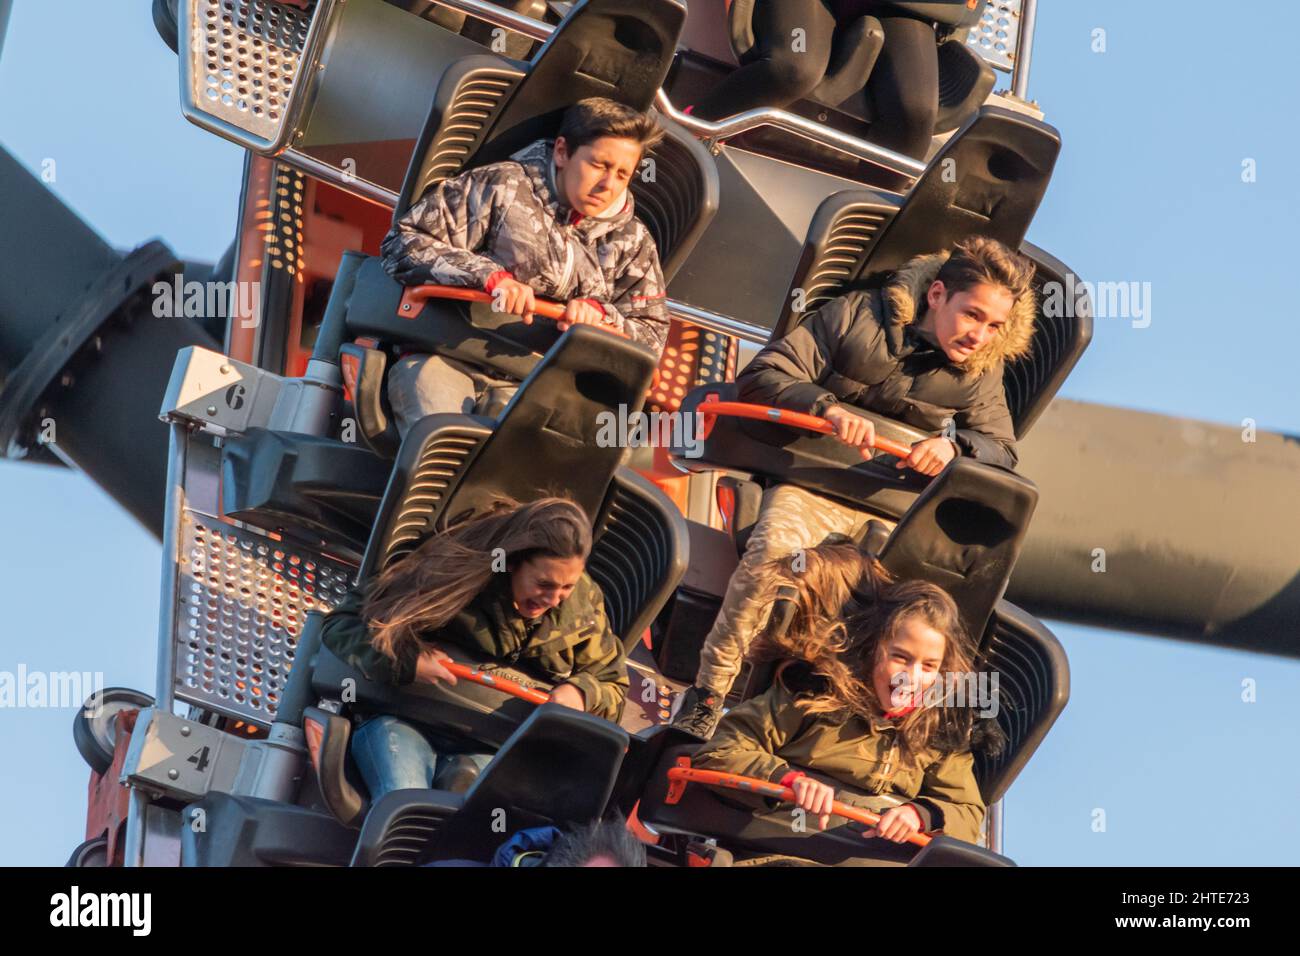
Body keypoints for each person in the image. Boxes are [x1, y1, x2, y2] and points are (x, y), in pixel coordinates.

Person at [672, 236, 1036, 737]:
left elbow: (1002, 449)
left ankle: (831, 732)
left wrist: (957, 446)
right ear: (935, 295)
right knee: (773, 559)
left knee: (906, 612)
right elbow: (765, 374)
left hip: (888, 510)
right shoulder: (858, 315)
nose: (980, 336)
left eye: (996, 326)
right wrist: (826, 408)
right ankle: (708, 695)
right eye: (972, 315)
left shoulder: (980, 372)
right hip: (812, 484)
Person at [379, 97, 670, 437]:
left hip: (544, 386)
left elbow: (651, 334)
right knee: (441, 444)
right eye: (599, 165)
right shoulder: (501, 186)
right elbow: (404, 242)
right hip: (446, 357)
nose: (609, 185)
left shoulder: (634, 241)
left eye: (623, 173)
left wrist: (601, 317)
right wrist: (489, 276)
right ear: (562, 152)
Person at [319, 497, 629, 801]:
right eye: (544, 584)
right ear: (511, 562)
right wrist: (406, 660)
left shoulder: (584, 609)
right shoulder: (449, 568)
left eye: (567, 587)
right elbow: (343, 624)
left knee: (467, 822)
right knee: (405, 800)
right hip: (405, 721)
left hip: (493, 745)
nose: (554, 598)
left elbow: (613, 686)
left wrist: (583, 692)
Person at [693, 540, 992, 852]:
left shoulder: (938, 735)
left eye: (929, 666)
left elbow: (968, 813)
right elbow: (720, 752)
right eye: (901, 658)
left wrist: (920, 814)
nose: (912, 677)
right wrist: (788, 780)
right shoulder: (814, 696)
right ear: (873, 649)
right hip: (775, 853)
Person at [693, 2, 980, 164]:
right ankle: (680, 141)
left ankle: (868, 233)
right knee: (795, 67)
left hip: (902, 9)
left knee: (916, 114)